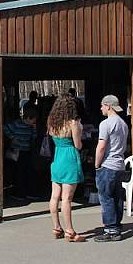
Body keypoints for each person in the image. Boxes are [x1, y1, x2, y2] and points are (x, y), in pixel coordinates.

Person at [47, 95, 86, 242]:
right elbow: (78, 145)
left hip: (57, 158)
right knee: (67, 199)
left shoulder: (52, 122)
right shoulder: (73, 123)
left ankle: (56, 227)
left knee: (54, 196)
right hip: (69, 159)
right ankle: (70, 231)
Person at [93, 94, 130, 242]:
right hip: (119, 164)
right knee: (117, 197)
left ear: (108, 106)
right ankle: (117, 226)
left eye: (102, 105)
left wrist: (97, 164)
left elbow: (101, 147)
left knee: (106, 197)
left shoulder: (105, 124)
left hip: (107, 164)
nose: (101, 108)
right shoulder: (123, 124)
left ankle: (110, 229)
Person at [4, 106, 38, 200]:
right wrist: (12, 137)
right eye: (33, 120)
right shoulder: (17, 124)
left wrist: (34, 128)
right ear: (28, 118)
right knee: (19, 172)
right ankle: (19, 193)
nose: (34, 123)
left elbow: (34, 137)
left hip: (26, 150)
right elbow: (5, 127)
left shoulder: (30, 127)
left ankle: (25, 192)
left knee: (26, 172)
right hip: (17, 151)